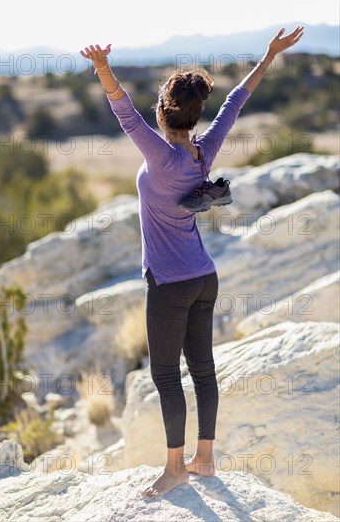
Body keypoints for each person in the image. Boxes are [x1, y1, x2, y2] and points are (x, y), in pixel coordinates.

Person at [80, 25, 304, 500]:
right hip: (205, 277)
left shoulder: (159, 155)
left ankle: (175, 469)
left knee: (165, 377)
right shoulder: (203, 151)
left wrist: (102, 67)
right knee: (202, 371)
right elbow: (235, 104)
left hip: (169, 283)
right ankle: (204, 457)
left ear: (163, 112)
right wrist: (268, 56)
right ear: (194, 113)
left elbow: (123, 113)